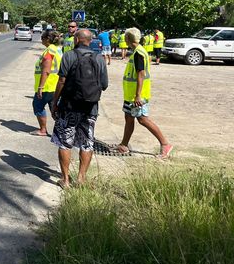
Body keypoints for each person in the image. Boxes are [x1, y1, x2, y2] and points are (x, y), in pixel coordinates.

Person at [51, 29, 108, 188]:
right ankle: (81, 179)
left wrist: (55, 102)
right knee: (87, 143)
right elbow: (104, 85)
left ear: (76, 39)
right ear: (91, 41)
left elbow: (61, 81)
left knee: (65, 143)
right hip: (90, 108)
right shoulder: (99, 58)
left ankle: (66, 180)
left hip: (69, 107)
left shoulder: (68, 55)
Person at [115, 28, 173, 159]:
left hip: (137, 96)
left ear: (128, 39)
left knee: (143, 119)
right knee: (129, 119)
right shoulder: (137, 51)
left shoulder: (138, 53)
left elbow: (140, 75)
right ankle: (124, 145)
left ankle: (165, 144)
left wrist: (138, 95)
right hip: (130, 96)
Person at [31, 30, 63, 136]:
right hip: (55, 85)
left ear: (47, 39)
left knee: (38, 106)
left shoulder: (49, 51)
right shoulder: (57, 49)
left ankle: (43, 130)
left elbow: (46, 70)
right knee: (54, 108)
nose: (41, 40)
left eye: (42, 38)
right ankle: (61, 130)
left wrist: (41, 87)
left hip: (47, 86)